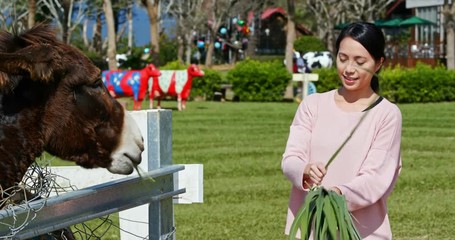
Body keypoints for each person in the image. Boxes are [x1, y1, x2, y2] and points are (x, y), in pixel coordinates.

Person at [281, 22, 402, 239]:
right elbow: (291, 158)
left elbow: (375, 177)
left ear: (378, 64)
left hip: (363, 232)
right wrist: (305, 170)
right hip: (312, 228)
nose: (348, 69)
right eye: (343, 58)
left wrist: (338, 194)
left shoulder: (387, 114)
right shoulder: (312, 105)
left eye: (360, 61)